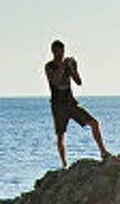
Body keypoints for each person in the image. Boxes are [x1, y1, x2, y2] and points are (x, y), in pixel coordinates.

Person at [45, 40, 109, 168]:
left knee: (94, 123)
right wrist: (62, 67)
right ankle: (64, 164)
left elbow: (78, 82)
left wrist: (73, 69)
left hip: (70, 103)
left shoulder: (68, 64)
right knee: (60, 135)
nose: (61, 54)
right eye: (58, 52)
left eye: (62, 51)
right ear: (53, 51)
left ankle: (103, 151)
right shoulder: (49, 66)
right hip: (58, 105)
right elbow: (56, 81)